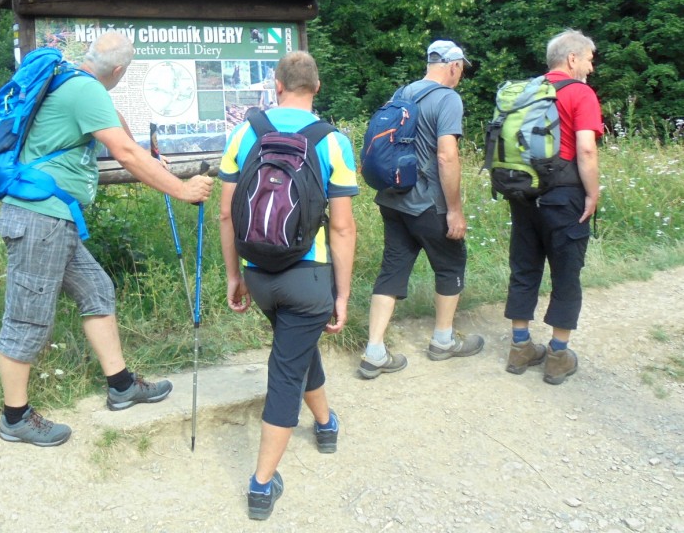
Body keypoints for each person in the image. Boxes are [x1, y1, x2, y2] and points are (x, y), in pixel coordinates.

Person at [0, 31, 213, 447]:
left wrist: (150, 157)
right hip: (39, 219)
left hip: (55, 220)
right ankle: (15, 417)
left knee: (97, 290)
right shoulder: (84, 89)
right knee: (27, 317)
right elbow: (125, 154)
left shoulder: (75, 83)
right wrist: (181, 190)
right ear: (118, 70)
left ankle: (121, 386)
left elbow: (121, 135)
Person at [218, 51, 358, 521]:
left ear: (276, 85)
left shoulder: (245, 133)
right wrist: (341, 294)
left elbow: (226, 214)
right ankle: (262, 485)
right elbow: (342, 228)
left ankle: (325, 423)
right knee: (285, 371)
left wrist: (235, 275)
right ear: (316, 87)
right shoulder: (333, 141)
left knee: (295, 348)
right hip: (308, 277)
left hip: (259, 275)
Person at [358, 40, 484, 379]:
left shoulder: (402, 93)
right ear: (453, 65)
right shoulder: (448, 99)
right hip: (428, 203)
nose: (461, 74)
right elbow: (446, 156)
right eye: (461, 68)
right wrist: (454, 210)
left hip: (393, 199)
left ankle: (374, 351)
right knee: (451, 263)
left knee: (392, 268)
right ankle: (443, 341)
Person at [504, 30, 603, 385]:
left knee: (524, 268)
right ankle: (558, 356)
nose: (591, 68)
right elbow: (586, 149)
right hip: (565, 197)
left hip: (523, 193)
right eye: (589, 59)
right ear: (572, 58)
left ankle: (520, 347)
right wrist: (592, 194)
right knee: (566, 273)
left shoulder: (526, 91)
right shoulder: (581, 93)